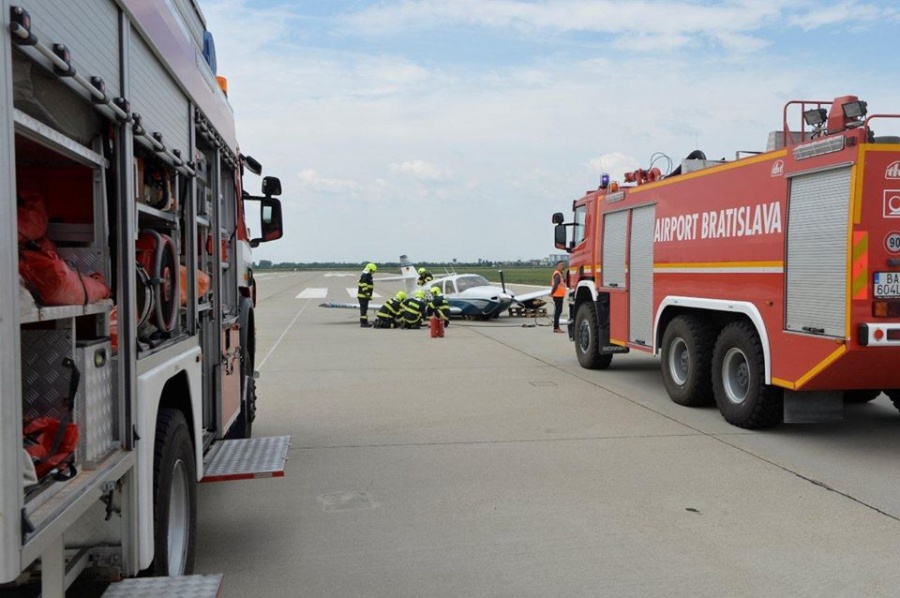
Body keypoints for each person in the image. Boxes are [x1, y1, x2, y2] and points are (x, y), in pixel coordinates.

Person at [357, 262, 377, 327]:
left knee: (364, 309)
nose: (373, 272)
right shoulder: (366, 275)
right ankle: (363, 323)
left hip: (364, 296)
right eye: (373, 271)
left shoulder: (367, 275)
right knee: (363, 310)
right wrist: (367, 293)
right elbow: (364, 285)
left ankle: (364, 322)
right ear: (370, 270)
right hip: (363, 296)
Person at [551, 260, 568, 333]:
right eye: (561, 265)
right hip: (557, 295)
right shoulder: (557, 274)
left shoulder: (560, 273)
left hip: (559, 295)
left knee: (558, 311)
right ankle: (556, 327)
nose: (562, 266)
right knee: (558, 311)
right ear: (557, 266)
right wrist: (552, 293)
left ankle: (556, 327)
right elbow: (556, 284)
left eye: (563, 265)